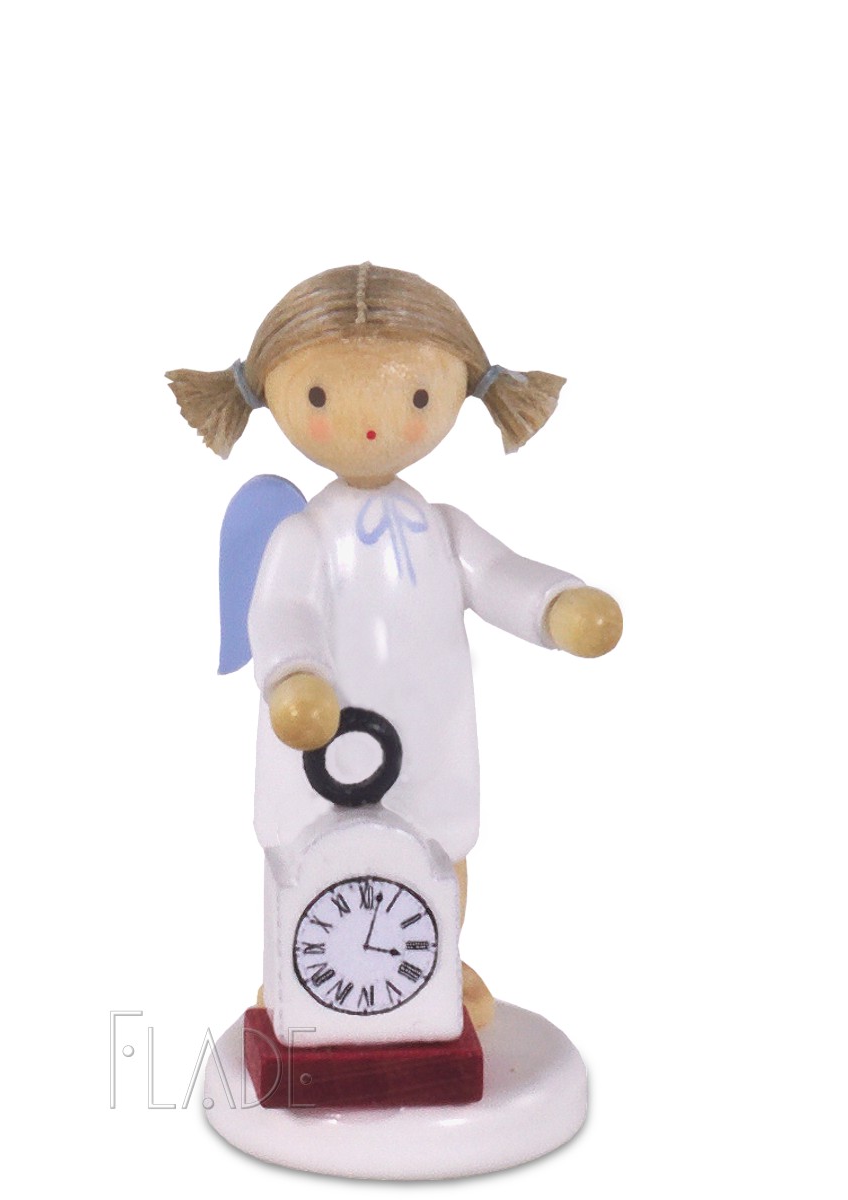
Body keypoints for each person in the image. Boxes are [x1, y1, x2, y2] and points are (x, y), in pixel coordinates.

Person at [168, 263, 622, 1025]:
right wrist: (295, 677)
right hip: (323, 735)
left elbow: (498, 574)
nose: (374, 423)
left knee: (437, 846)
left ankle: (435, 967)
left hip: (429, 731)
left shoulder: (442, 529)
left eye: (414, 397)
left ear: (458, 392)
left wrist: (556, 606)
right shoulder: (303, 535)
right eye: (321, 396)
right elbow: (282, 611)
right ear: (272, 392)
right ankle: (297, 979)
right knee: (313, 854)